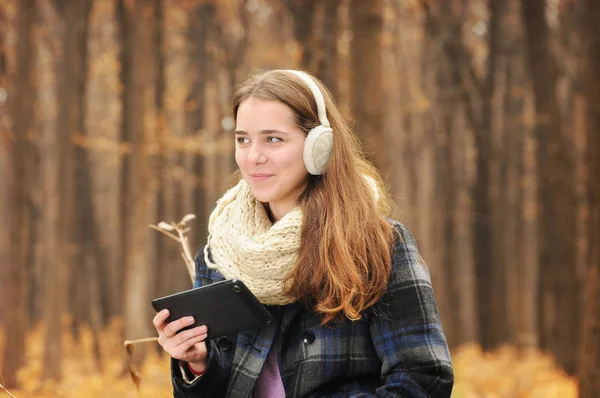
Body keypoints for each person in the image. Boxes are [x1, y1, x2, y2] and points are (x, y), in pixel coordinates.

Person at [152, 69, 454, 397]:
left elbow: (424, 379)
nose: (253, 157)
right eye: (243, 140)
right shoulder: (219, 257)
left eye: (273, 139)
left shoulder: (378, 244)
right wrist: (197, 364)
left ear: (318, 147)